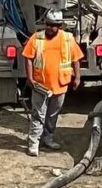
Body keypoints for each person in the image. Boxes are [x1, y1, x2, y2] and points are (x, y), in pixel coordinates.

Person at [22, 8, 84, 156]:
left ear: (60, 26)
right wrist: (30, 78)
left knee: (52, 115)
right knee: (38, 114)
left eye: (53, 25)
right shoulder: (37, 38)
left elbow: (75, 59)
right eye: (47, 24)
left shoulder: (68, 39)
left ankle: (48, 139)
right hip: (40, 85)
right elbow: (28, 58)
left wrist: (77, 77)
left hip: (60, 85)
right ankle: (34, 142)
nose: (49, 27)